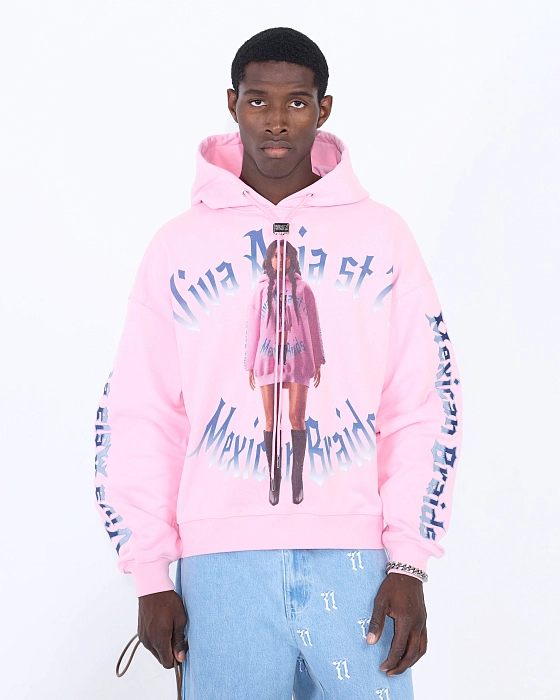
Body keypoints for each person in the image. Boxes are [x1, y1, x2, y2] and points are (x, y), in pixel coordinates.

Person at [94, 27, 462, 699]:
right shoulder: (177, 245)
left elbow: (420, 403)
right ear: (232, 104)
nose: (276, 121)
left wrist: (409, 562)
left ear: (323, 110)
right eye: (258, 100)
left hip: (358, 563)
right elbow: (143, 412)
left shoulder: (383, 236)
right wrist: (150, 573)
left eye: (296, 102)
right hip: (219, 567)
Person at [245, 238, 325, 506]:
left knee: (296, 417)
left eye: (286, 255)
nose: (281, 260)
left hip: (299, 357)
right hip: (268, 358)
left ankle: (297, 477)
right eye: (276, 256)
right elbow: (253, 328)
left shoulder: (303, 289)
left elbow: (313, 324)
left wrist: (318, 359)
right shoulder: (260, 291)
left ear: (292, 259)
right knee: (271, 420)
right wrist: (250, 364)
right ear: (270, 259)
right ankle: (274, 478)